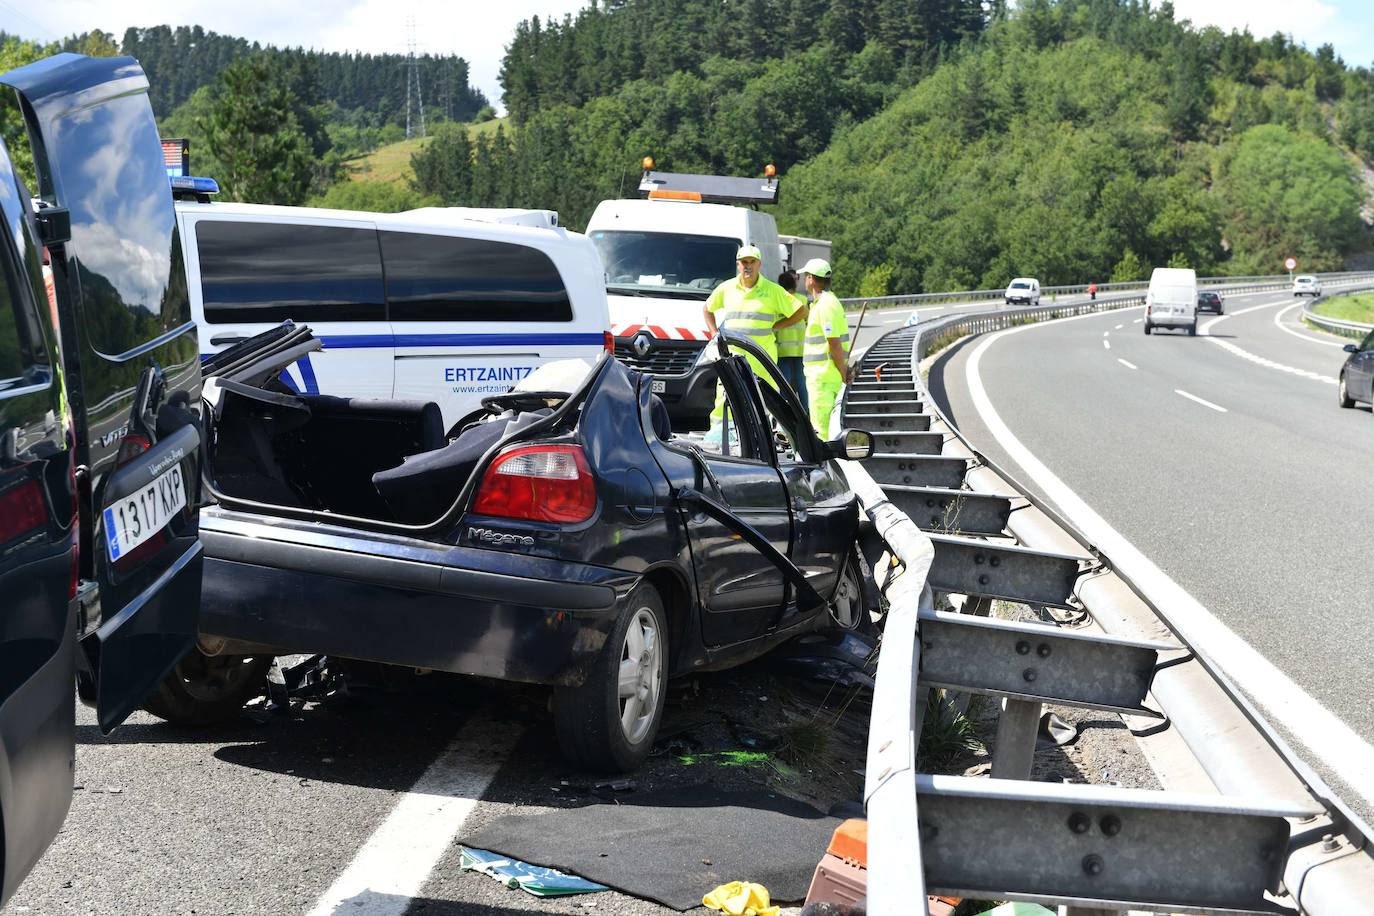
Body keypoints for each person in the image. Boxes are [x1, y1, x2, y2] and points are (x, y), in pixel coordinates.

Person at [702, 245, 804, 436]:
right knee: (725, 399)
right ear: (737, 265)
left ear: (759, 264)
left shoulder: (772, 291)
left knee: (763, 401)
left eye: (752, 262)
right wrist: (714, 334)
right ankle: (720, 436)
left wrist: (777, 326)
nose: (747, 266)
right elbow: (707, 309)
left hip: (761, 361)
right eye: (743, 262)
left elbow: (800, 310)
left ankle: (763, 438)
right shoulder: (727, 288)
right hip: (731, 358)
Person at [800, 258, 850, 435]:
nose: (804, 280)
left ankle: (825, 463)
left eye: (806, 276)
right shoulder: (830, 302)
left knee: (821, 431)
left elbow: (834, 343)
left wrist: (843, 371)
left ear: (811, 279)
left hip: (822, 378)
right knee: (828, 427)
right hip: (827, 376)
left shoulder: (824, 306)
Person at [775, 269, 809, 411]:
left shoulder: (778, 302)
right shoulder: (802, 300)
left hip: (782, 349)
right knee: (802, 381)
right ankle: (806, 411)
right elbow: (808, 321)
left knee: (785, 382)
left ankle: (785, 412)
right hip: (801, 348)